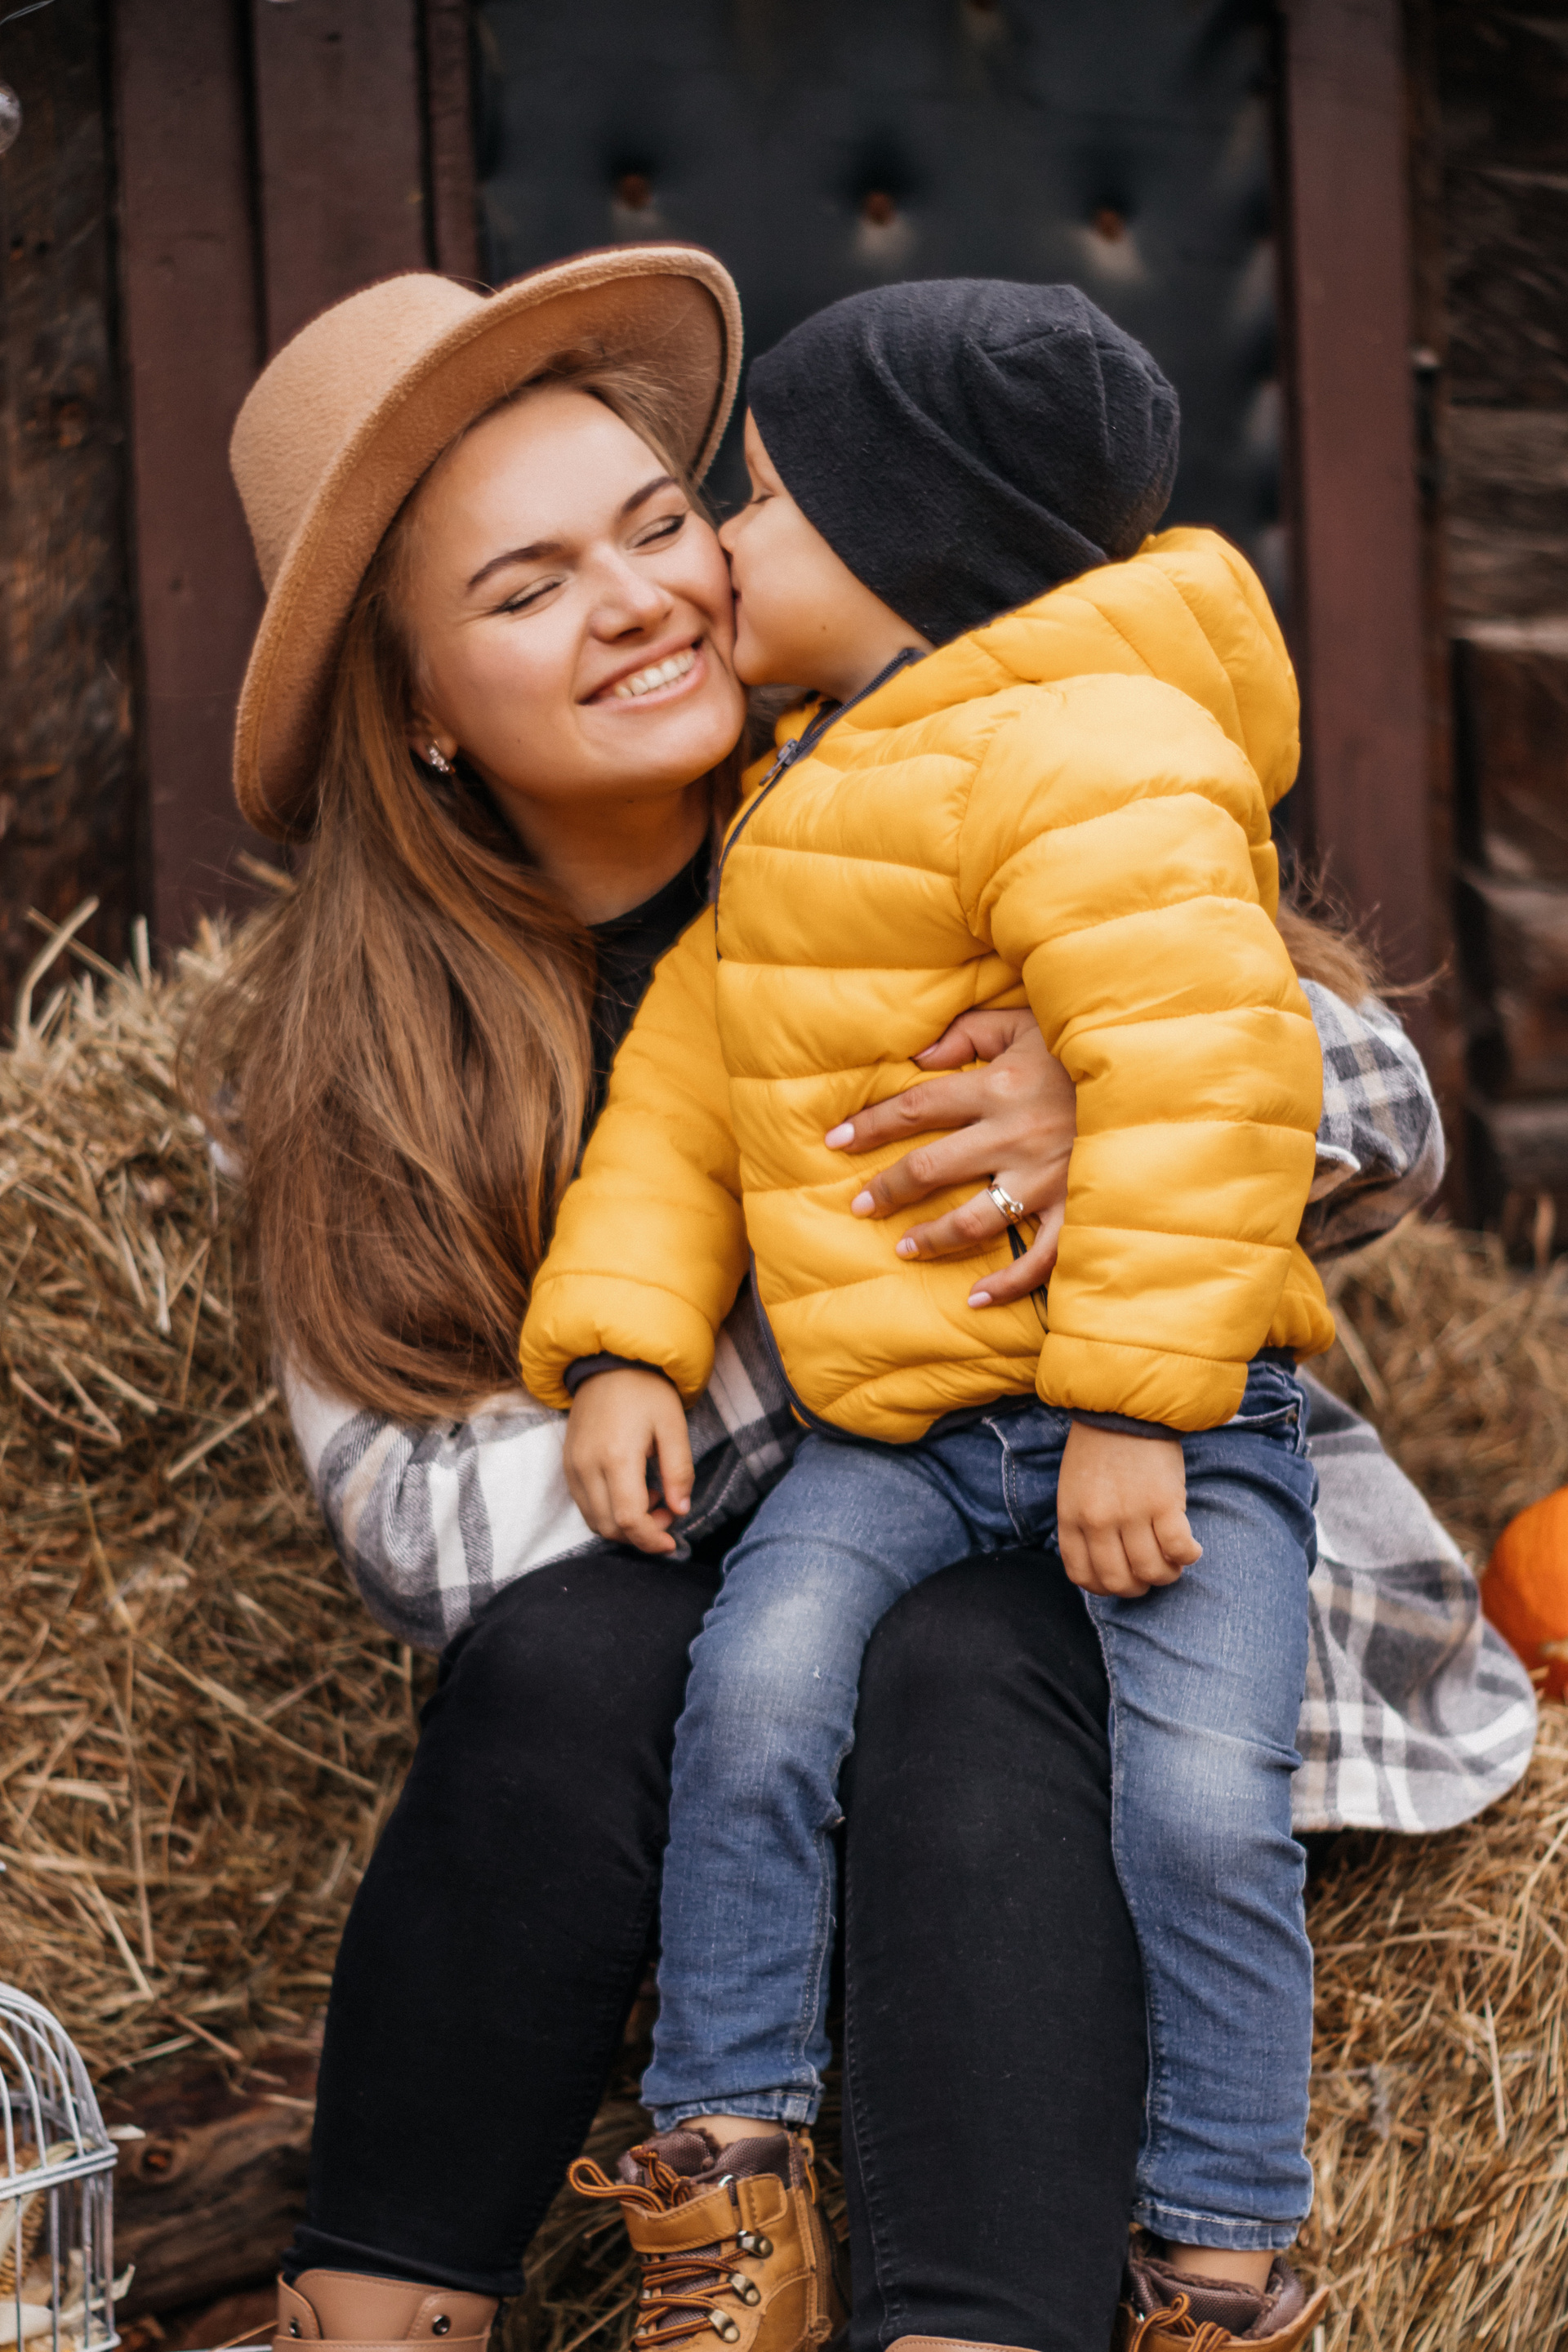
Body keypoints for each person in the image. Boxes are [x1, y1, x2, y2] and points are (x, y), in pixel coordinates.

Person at [191, 249, 1534, 2352]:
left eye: (662, 521)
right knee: (577, 1644)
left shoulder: (930, 771)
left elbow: (1376, 1103)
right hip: (718, 1737)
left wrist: (1102, 1119)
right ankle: (382, 2317)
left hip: (1086, 1603)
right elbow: (424, 1534)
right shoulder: (375, 1059)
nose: (643, 597)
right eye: (528, 589)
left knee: (970, 1648)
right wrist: (820, 1310)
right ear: (423, 712)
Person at [516, 283, 1362, 2348]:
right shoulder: (802, 792)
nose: (724, 546)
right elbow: (688, 1095)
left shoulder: (1093, 754)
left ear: (911, 540)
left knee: (1201, 1808)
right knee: (754, 1697)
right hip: (897, 1437)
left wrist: (1136, 1406)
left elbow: (1210, 1082)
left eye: (763, 501)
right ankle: (729, 2171)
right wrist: (623, 1342)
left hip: (1169, 1425)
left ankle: (1220, 2259)